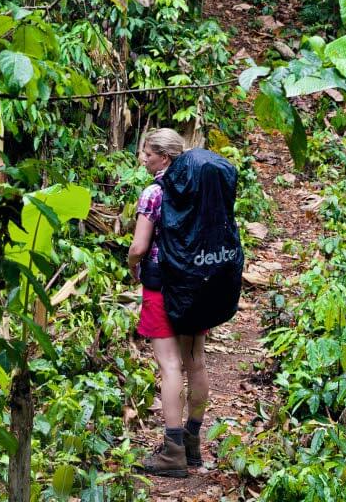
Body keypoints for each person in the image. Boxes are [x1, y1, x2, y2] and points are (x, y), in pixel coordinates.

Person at [128, 128, 209, 479]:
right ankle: (192, 441)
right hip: (197, 285)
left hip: (162, 287)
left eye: (148, 153)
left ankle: (173, 452)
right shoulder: (200, 186)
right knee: (196, 361)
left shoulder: (154, 193)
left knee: (170, 366)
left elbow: (140, 247)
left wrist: (132, 265)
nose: (143, 159)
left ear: (164, 156)